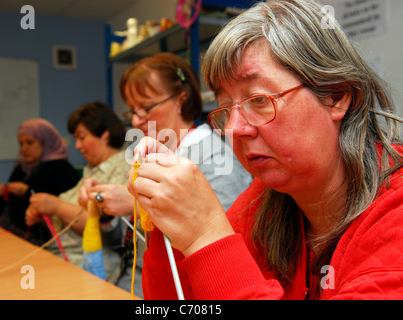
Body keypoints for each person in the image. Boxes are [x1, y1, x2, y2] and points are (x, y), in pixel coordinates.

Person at [127, 0, 403, 300]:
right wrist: (168, 219)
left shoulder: (394, 211)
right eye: (224, 108)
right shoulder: (261, 203)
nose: (233, 127)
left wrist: (206, 236)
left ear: (336, 96)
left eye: (258, 100)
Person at [78, 52, 252, 297]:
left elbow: (223, 250)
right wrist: (106, 213)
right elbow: (128, 244)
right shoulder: (152, 155)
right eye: (132, 111)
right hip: (131, 282)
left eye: (146, 108)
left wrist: (136, 205)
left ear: (181, 99)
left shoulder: (215, 159)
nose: (137, 121)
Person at [25, 101, 130, 283]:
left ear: (104, 133)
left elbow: (106, 229)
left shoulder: (124, 169)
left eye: (82, 138)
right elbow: (76, 210)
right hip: (65, 255)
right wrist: (46, 211)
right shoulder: (92, 169)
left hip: (90, 262)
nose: (77, 146)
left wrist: (57, 207)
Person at [0, 118, 80, 246]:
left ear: (46, 141)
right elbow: (3, 209)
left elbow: (59, 216)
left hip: (38, 238)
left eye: (30, 142)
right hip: (6, 230)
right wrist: (0, 196)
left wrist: (27, 192)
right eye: (21, 144)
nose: (24, 148)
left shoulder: (61, 169)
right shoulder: (22, 168)